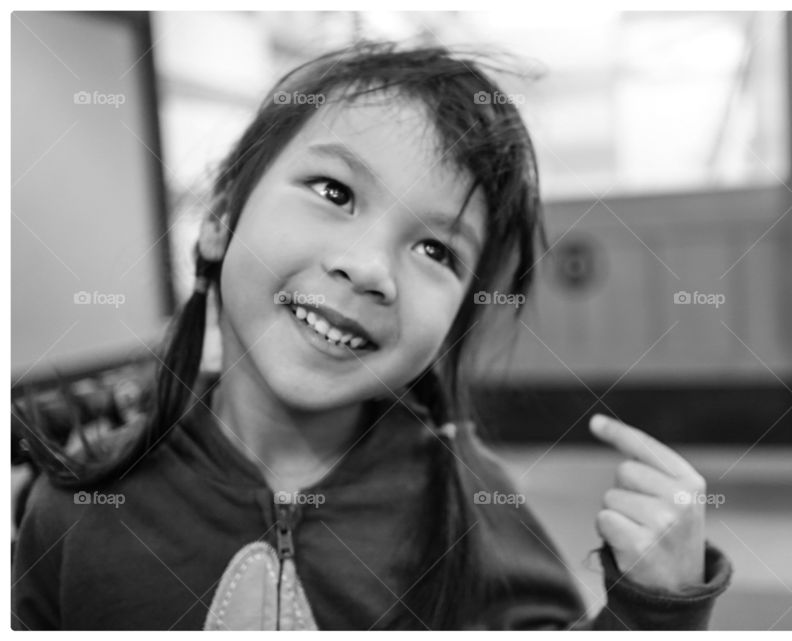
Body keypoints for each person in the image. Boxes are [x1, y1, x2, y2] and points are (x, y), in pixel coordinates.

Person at [12, 41, 732, 630]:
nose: (369, 269)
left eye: (436, 252)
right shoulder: (78, 505)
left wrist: (650, 610)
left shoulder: (469, 506)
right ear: (221, 217)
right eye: (335, 192)